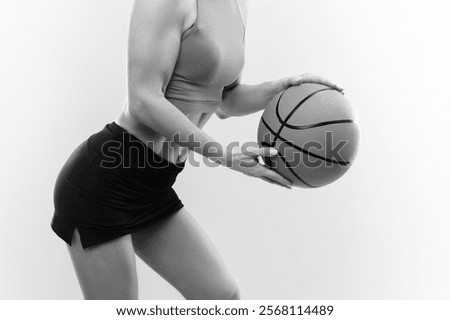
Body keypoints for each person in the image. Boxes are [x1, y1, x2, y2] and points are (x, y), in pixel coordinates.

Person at [51, 0, 342, 300]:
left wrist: (282, 88)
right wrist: (226, 156)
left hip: (153, 187)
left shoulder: (239, 5)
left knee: (221, 298)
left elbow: (225, 101)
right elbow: (143, 100)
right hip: (105, 183)